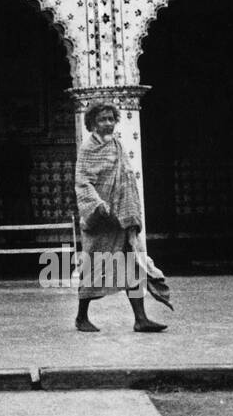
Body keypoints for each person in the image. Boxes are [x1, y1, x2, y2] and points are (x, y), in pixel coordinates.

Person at [74, 103, 173, 333]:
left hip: (121, 219)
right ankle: (81, 317)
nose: (108, 123)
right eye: (102, 120)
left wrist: (128, 210)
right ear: (91, 123)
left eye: (110, 119)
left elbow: (126, 177)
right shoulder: (88, 149)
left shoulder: (117, 144)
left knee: (133, 267)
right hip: (100, 222)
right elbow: (83, 182)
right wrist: (99, 205)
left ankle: (141, 318)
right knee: (94, 268)